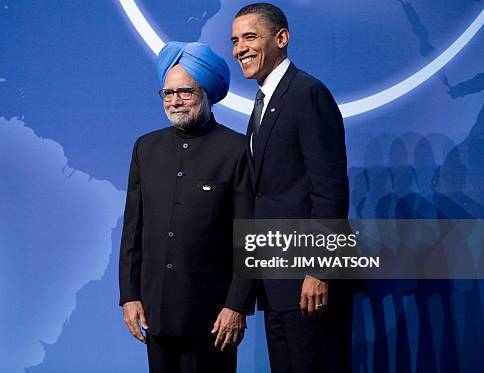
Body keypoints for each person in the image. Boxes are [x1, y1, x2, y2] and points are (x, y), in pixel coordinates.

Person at [119, 41, 256, 373]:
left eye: (185, 92)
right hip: (156, 312)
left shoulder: (236, 149)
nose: (175, 101)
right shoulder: (145, 148)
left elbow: (248, 236)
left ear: (207, 93)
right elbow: (132, 232)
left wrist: (236, 306)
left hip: (213, 319)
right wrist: (129, 296)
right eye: (167, 93)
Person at [231, 3, 353, 372]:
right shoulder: (263, 102)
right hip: (276, 278)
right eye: (235, 40)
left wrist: (319, 270)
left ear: (281, 38)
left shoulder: (306, 93)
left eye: (250, 37)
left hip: (307, 279)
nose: (240, 49)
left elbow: (329, 188)